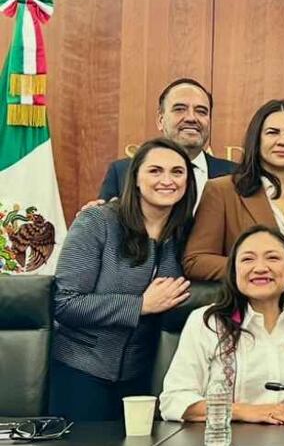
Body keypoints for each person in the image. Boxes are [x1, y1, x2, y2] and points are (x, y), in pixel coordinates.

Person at [49, 138, 196, 420]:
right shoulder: (97, 221)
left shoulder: (184, 234)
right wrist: (140, 305)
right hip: (81, 372)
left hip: (143, 379)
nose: (167, 180)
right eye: (155, 171)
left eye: (177, 172)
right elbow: (65, 303)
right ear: (136, 179)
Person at [160, 226, 284, 423]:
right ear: (234, 271)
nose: (260, 267)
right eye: (248, 259)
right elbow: (175, 400)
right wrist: (246, 412)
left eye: (272, 258)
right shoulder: (207, 321)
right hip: (225, 442)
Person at [182, 100, 284, 304]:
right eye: (272, 132)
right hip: (241, 313)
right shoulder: (222, 190)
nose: (283, 141)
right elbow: (195, 260)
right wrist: (257, 270)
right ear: (256, 139)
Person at [96, 78, 235, 204]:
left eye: (201, 111)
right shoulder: (122, 172)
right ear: (160, 120)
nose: (191, 118)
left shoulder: (236, 175)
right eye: (180, 109)